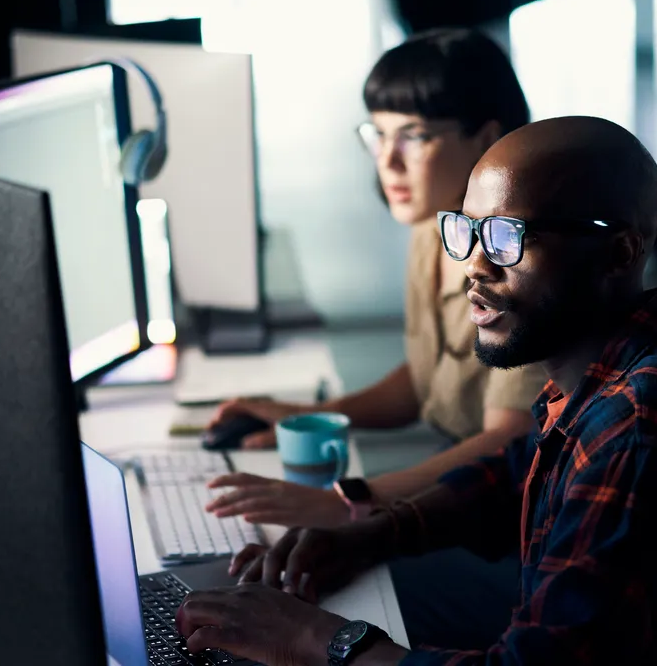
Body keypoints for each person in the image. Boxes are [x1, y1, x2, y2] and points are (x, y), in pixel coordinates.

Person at [174, 116, 657, 665]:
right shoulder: (612, 365)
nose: (473, 264)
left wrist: (318, 641)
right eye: (466, 230)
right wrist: (371, 535)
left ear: (618, 252)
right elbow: (518, 472)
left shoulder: (637, 427)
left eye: (506, 238)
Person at [202, 28, 548, 530]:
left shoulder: (514, 262)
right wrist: (310, 414)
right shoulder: (438, 224)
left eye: (414, 136)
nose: (388, 161)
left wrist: (354, 500)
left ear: (487, 137)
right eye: (377, 135)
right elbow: (428, 379)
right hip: (454, 484)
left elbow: (507, 439)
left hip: (512, 514)